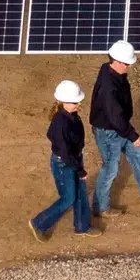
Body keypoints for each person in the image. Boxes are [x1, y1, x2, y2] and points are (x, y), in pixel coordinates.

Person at [91, 40, 140, 215]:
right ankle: (100, 207)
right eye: (127, 64)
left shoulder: (108, 68)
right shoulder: (109, 88)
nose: (129, 67)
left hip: (117, 127)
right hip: (109, 131)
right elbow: (114, 116)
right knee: (110, 168)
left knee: (137, 155)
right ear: (116, 61)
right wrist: (132, 135)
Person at [30, 80, 97, 239]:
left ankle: (82, 226)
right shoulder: (60, 122)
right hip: (64, 163)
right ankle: (39, 223)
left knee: (80, 192)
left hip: (73, 159)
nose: (78, 103)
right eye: (75, 101)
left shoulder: (70, 115)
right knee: (68, 198)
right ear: (63, 102)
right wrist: (79, 170)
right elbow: (64, 151)